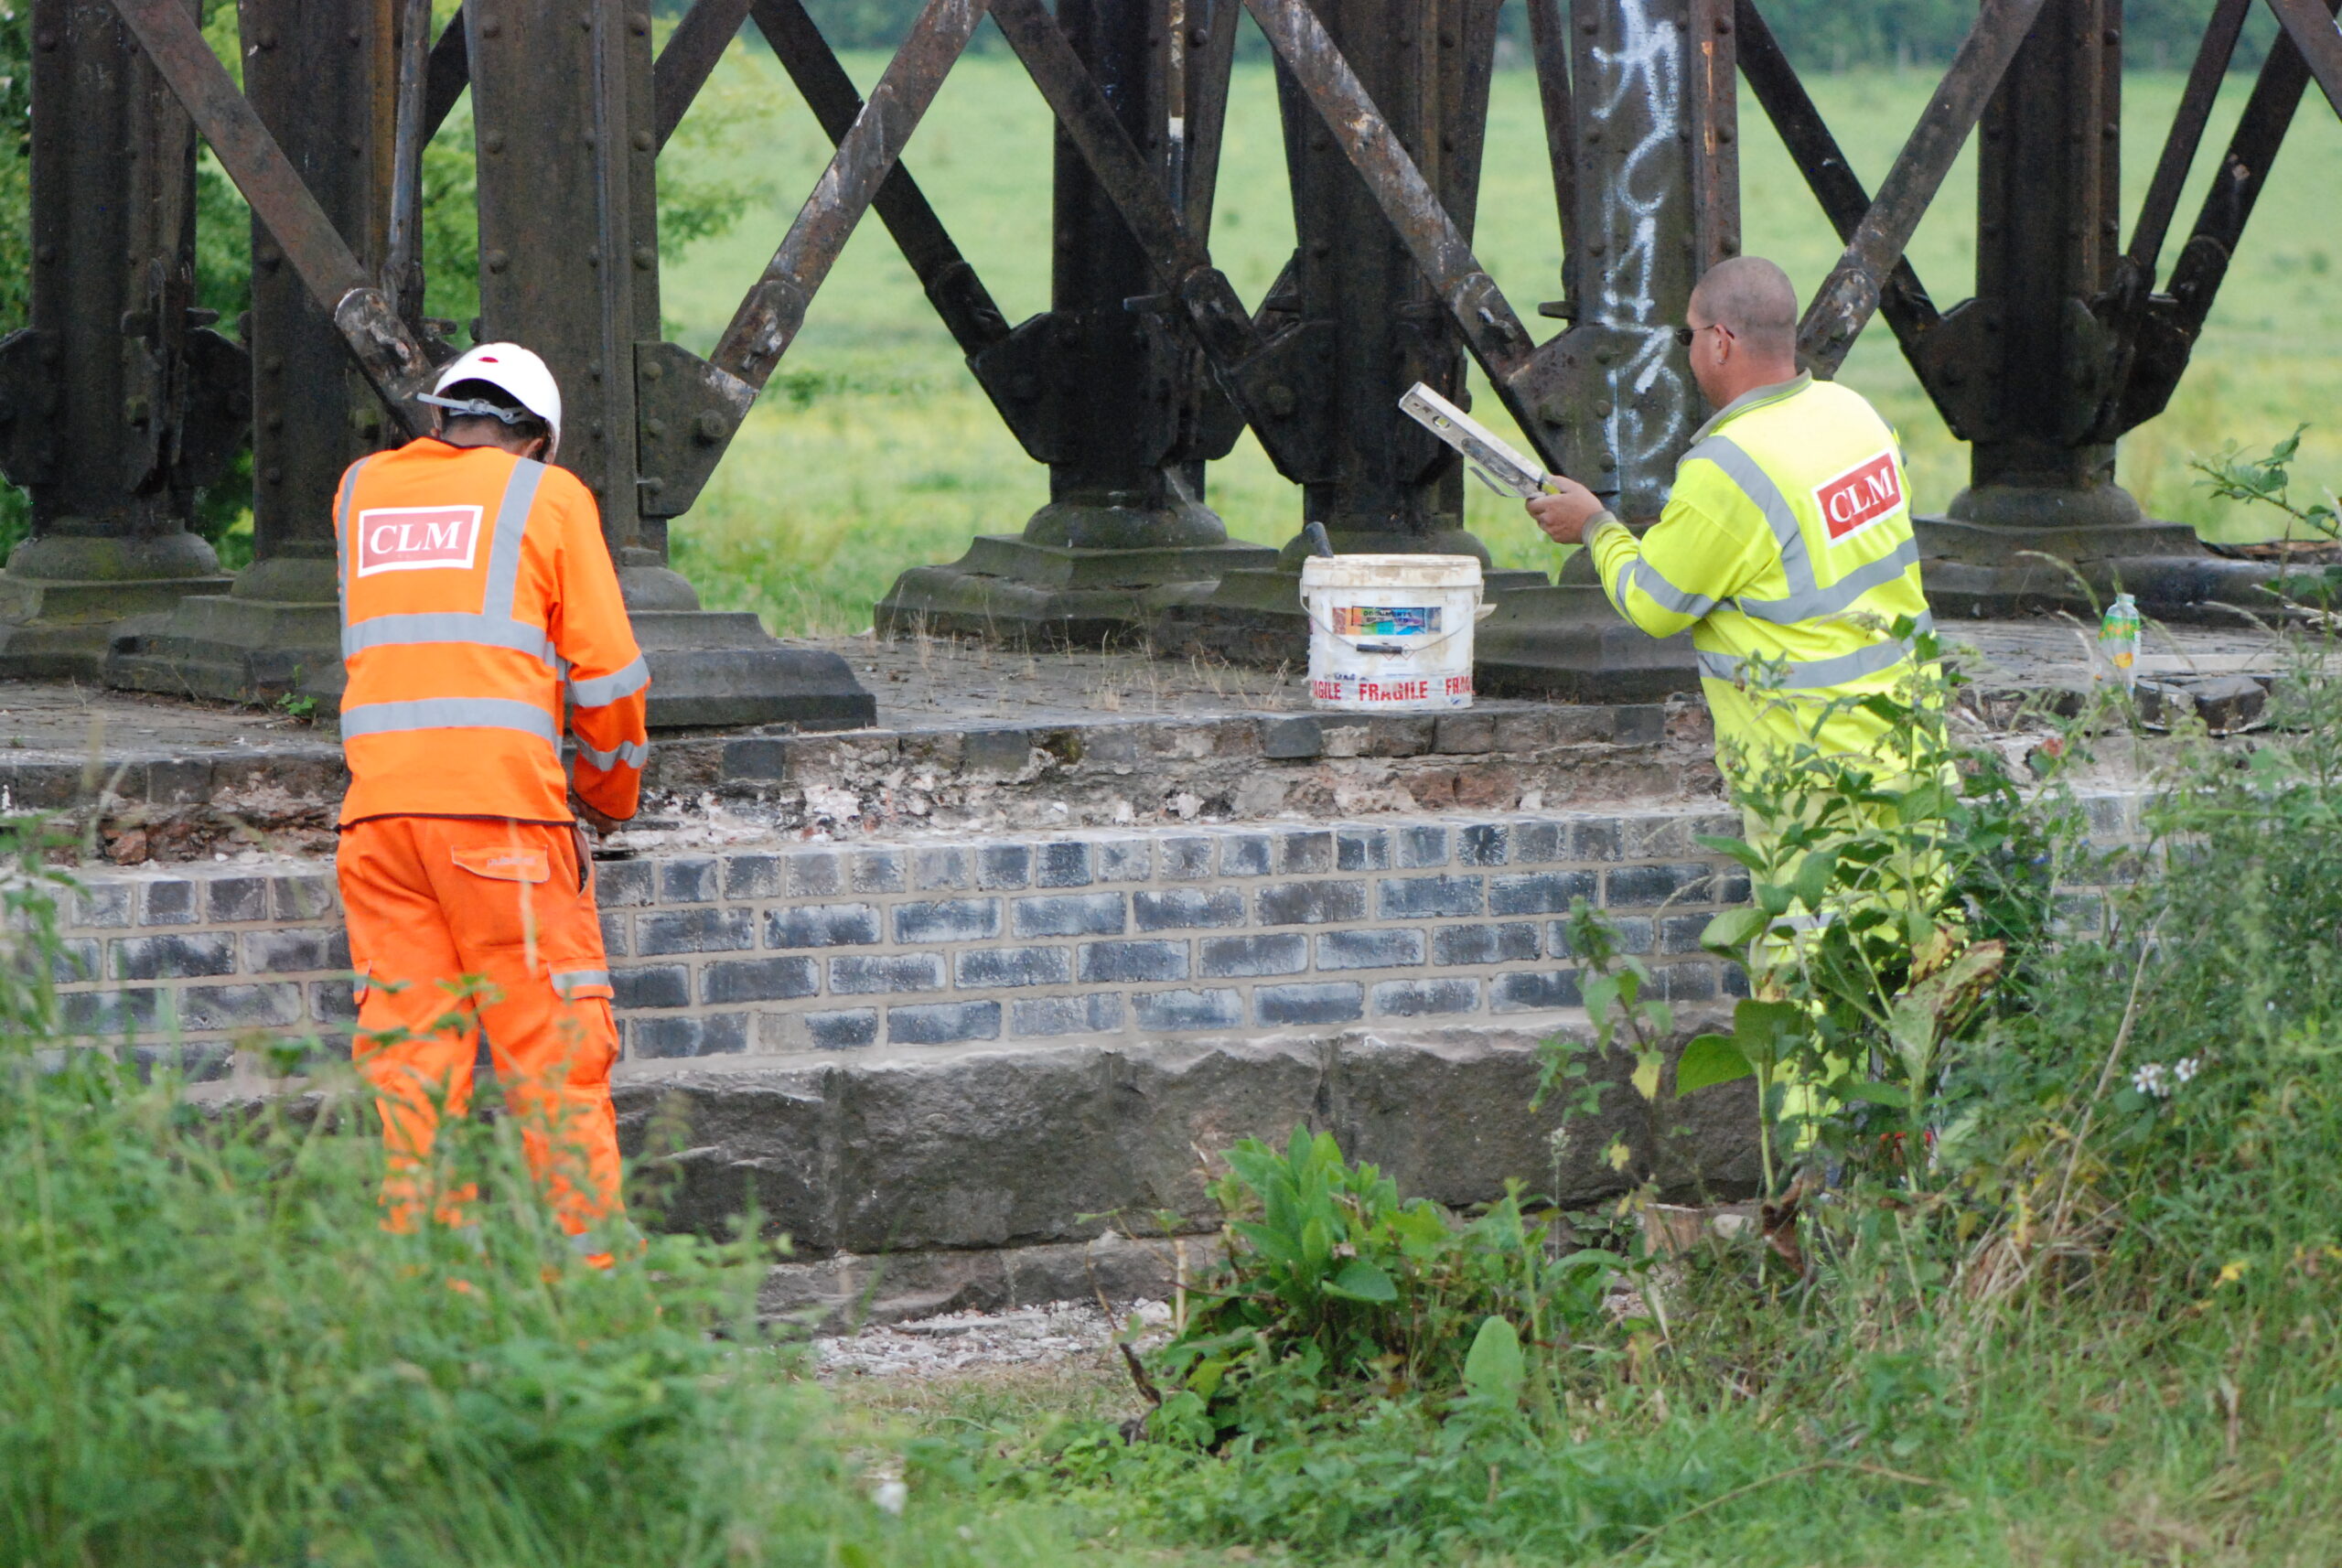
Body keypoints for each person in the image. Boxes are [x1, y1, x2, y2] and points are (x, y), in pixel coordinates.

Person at [332, 342, 649, 1265]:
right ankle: (602, 1325)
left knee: (412, 1075)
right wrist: (606, 794)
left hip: (379, 825)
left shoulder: (361, 492)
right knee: (556, 1065)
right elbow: (609, 677)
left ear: (443, 419)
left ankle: (433, 1319)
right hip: (504, 824)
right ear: (536, 439)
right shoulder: (548, 496)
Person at [1525, 254, 1935, 775]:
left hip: (1814, 771)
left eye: (1688, 337)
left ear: (1720, 341)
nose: (1690, 351)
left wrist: (1593, 525)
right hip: (1914, 744)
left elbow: (1654, 605)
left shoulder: (1729, 465)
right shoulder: (1858, 415)